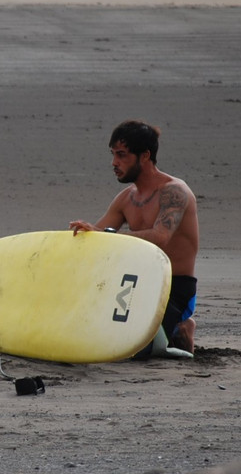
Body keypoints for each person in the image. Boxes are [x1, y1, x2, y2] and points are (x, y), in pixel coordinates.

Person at [69, 120, 199, 357]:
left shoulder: (175, 192)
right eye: (113, 154)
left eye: (122, 155)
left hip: (172, 286)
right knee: (95, 335)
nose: (114, 162)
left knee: (135, 351)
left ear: (145, 156)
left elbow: (160, 237)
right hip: (134, 283)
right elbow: (97, 238)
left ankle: (183, 326)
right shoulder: (126, 198)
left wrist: (105, 235)